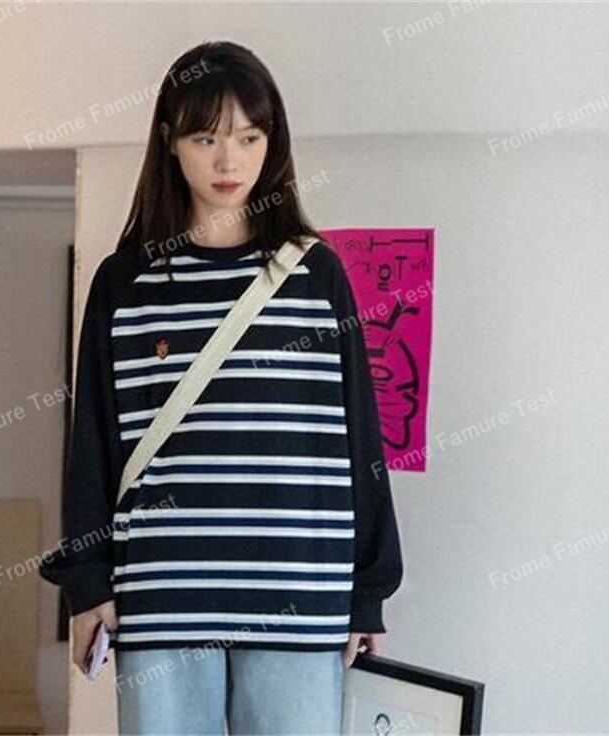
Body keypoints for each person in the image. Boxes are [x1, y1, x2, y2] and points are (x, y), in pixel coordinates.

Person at [39, 40, 404, 735]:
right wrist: (86, 584)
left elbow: (360, 440)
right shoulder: (125, 284)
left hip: (300, 589)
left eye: (248, 137)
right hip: (164, 588)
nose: (229, 161)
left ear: (273, 141)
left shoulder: (316, 276)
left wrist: (370, 591)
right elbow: (92, 446)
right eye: (206, 138)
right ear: (170, 142)